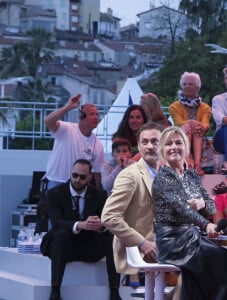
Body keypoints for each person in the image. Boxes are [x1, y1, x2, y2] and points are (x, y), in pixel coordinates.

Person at [152, 126, 227, 300]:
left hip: (192, 238)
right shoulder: (162, 179)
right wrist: (206, 224)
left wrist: (202, 202)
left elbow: (210, 205)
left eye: (178, 143)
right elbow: (183, 209)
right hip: (172, 241)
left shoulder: (192, 176)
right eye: (168, 144)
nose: (174, 147)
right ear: (162, 150)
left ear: (186, 148)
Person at [40, 159, 120, 300]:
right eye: (74, 175)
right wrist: (81, 224)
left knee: (112, 235)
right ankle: (55, 292)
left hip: (89, 246)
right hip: (63, 246)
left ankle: (114, 291)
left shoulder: (99, 195)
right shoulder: (55, 193)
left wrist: (99, 223)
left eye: (82, 177)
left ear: (90, 178)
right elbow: (57, 222)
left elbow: (108, 219)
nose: (77, 179)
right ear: (70, 174)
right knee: (61, 235)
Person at [102, 123, 163, 286]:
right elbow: (109, 217)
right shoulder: (129, 175)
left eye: (155, 141)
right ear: (138, 146)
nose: (149, 146)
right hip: (142, 251)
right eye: (145, 142)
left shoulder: (169, 174)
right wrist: (143, 243)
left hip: (166, 246)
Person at [44, 94, 104, 190]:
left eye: (97, 115)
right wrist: (68, 107)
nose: (96, 117)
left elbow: (97, 174)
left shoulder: (98, 145)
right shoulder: (66, 128)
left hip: (78, 187)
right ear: (81, 116)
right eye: (92, 114)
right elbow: (48, 121)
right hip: (56, 182)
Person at [169, 72, 211, 176]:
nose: (187, 86)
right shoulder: (174, 107)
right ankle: (187, 163)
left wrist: (200, 126)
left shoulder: (205, 107)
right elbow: (179, 123)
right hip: (181, 137)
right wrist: (192, 123)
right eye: (185, 84)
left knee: (198, 128)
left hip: (200, 139)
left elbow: (206, 125)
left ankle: (197, 165)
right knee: (186, 127)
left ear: (197, 87)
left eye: (190, 84)